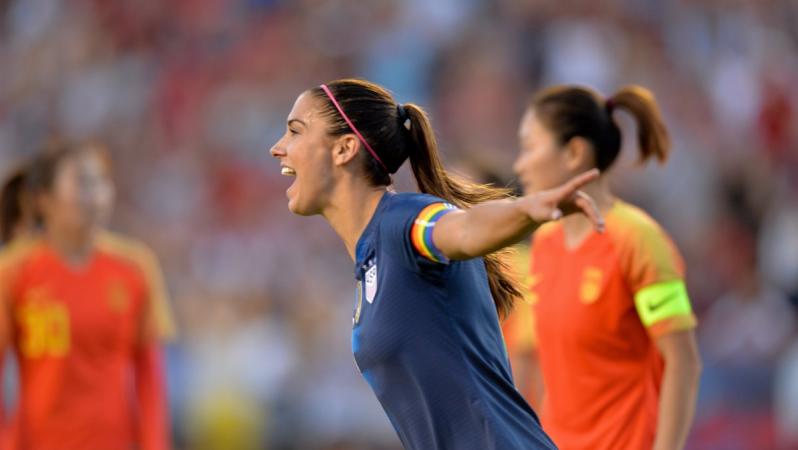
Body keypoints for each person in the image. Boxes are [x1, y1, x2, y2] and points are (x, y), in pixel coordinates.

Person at [270, 78, 603, 450]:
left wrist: (530, 208)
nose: (277, 148)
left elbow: (462, 230)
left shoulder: (404, 220)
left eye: (295, 131)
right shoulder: (371, 259)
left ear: (345, 148)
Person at [513, 85, 702, 450]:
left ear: (574, 152)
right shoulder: (544, 243)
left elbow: (683, 362)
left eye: (529, 147)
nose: (519, 164)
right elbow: (534, 361)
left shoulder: (639, 241)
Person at [0, 140, 175, 450]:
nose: (96, 194)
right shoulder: (14, 272)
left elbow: (149, 378)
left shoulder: (135, 267)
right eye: (83, 181)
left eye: (101, 181)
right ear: (44, 199)